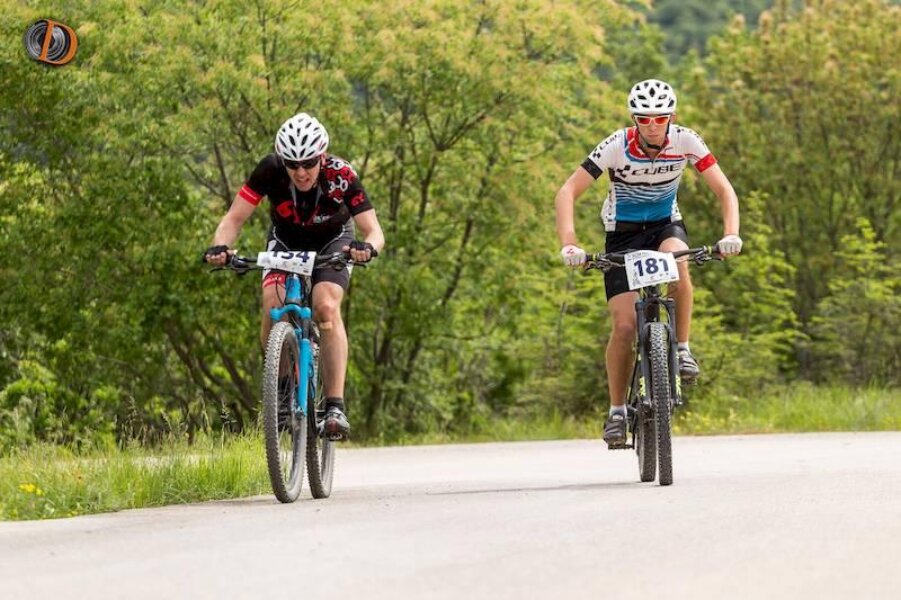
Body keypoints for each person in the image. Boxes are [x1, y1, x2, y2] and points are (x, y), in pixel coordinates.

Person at [554, 79, 741, 447]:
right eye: (644, 118)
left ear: (672, 117)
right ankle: (617, 411)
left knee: (678, 262)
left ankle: (682, 348)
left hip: (664, 226)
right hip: (622, 234)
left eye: (660, 118)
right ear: (633, 119)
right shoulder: (616, 145)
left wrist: (730, 234)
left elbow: (724, 189)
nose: (652, 126)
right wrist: (570, 243)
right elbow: (567, 191)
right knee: (624, 327)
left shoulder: (686, 141)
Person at [203, 112, 385, 439]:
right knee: (273, 304)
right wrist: (220, 247)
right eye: (292, 164)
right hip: (286, 240)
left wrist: (366, 248)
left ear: (322, 157)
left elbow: (374, 231)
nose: (301, 172)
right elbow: (233, 219)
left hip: (333, 241)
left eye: (309, 163)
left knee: (325, 307)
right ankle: (283, 389)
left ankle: (334, 406)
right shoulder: (269, 170)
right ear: (282, 161)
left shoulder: (341, 174)